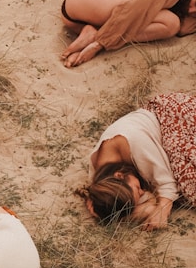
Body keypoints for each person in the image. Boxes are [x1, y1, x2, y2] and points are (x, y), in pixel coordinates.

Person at [83, 93, 196, 229]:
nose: (142, 193)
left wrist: (161, 211)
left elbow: (167, 184)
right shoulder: (105, 179)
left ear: (120, 175)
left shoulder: (135, 145)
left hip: (173, 115)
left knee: (186, 176)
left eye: (137, 189)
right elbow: (116, 203)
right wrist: (144, 210)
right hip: (161, 125)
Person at [60, 0, 196, 67]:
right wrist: (100, 44)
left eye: (195, 14)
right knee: (170, 23)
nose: (191, 11)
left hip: (74, 16)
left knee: (173, 24)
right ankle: (96, 37)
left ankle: (91, 32)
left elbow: (183, 29)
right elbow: (135, 7)